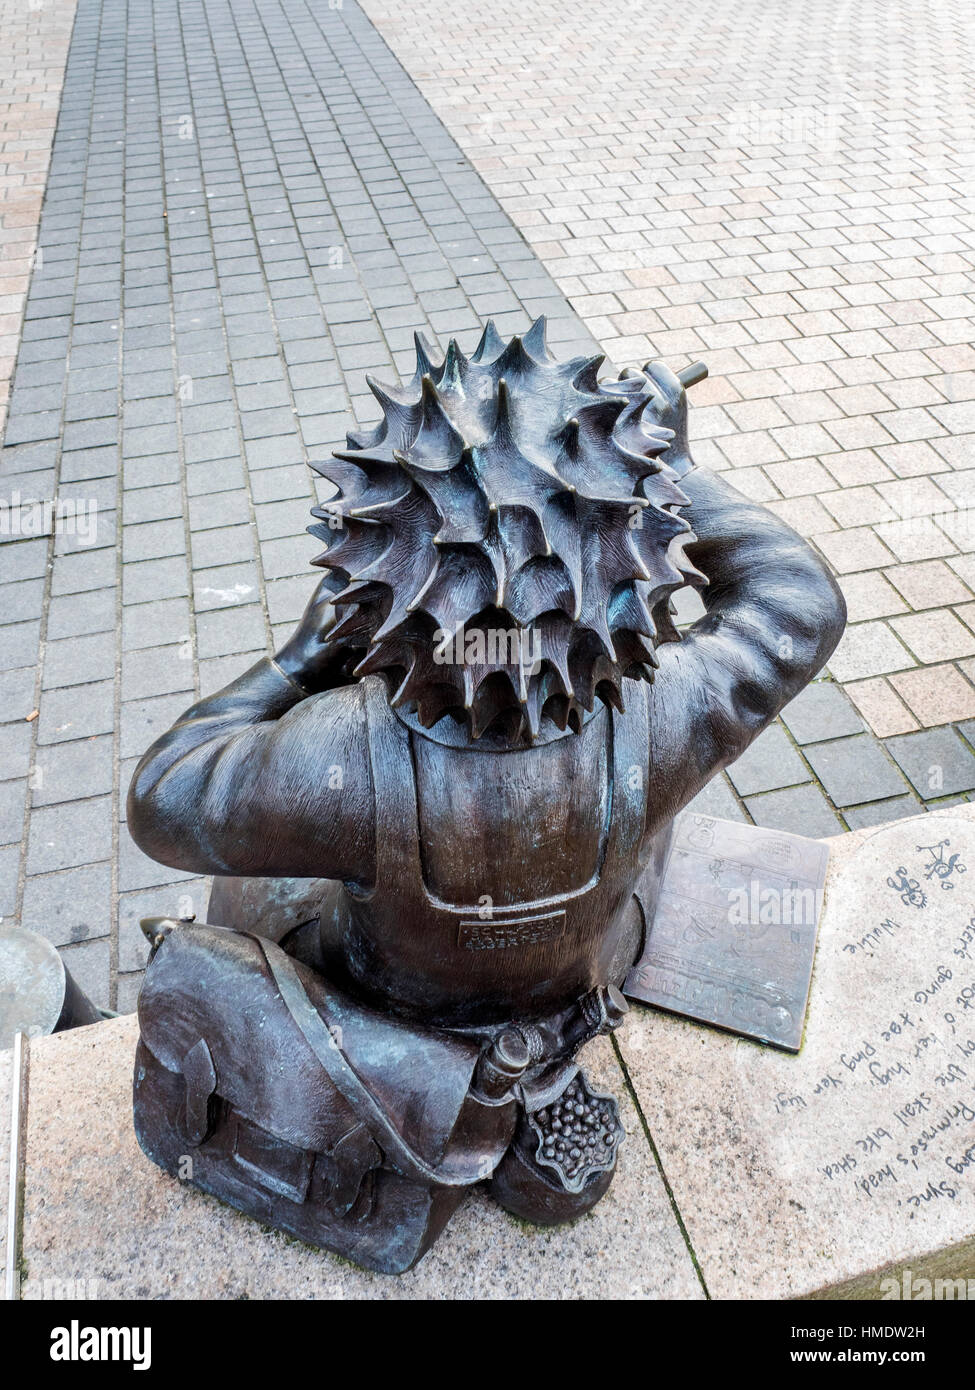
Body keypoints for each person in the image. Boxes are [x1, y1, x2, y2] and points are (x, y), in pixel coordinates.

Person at [129, 318, 846, 1272]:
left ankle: (445, 1073)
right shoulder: (662, 715)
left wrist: (301, 656)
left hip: (394, 997)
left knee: (245, 891)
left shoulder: (337, 753)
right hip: (585, 966)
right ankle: (542, 1043)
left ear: (381, 579)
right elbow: (799, 599)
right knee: (655, 812)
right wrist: (672, 468)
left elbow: (164, 797)